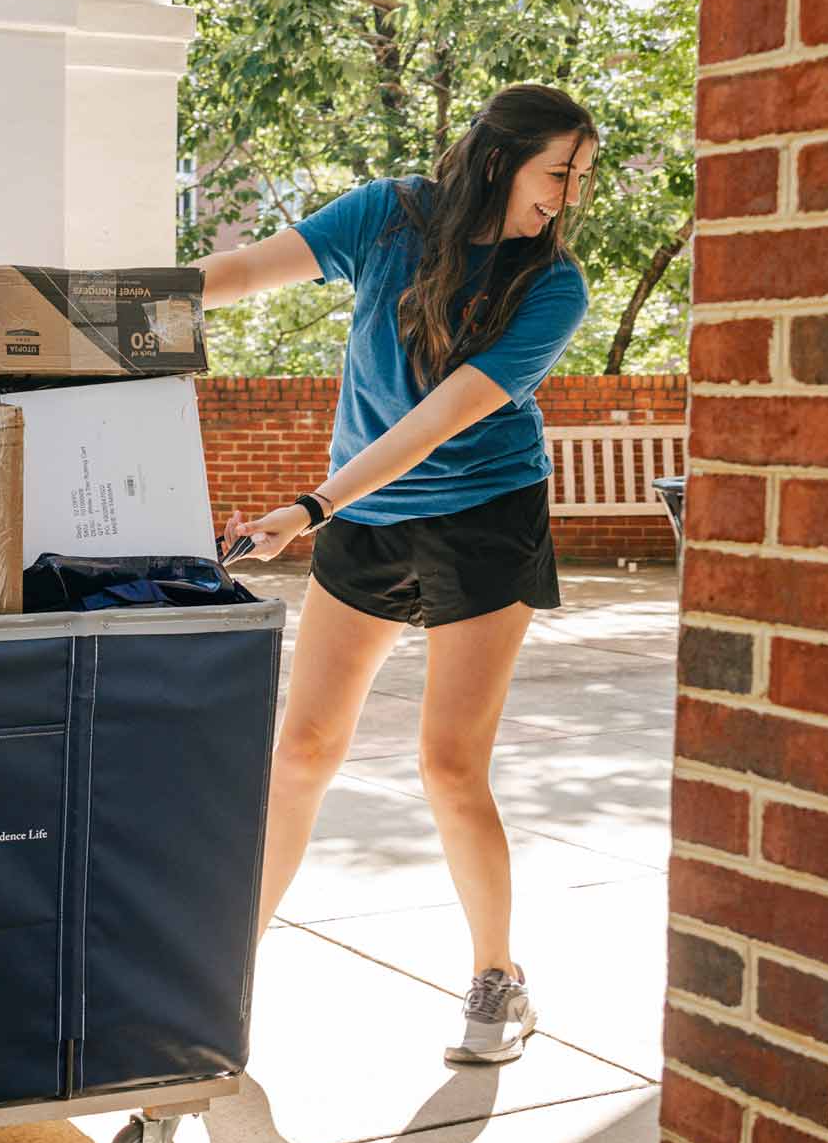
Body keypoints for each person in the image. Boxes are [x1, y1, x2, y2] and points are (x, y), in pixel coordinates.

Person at [209, 84, 595, 1068]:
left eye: (581, 175)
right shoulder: (391, 215)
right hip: (364, 517)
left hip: (480, 519)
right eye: (560, 170)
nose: (570, 193)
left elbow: (433, 424)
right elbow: (244, 270)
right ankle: (220, 976)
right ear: (500, 157)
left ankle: (498, 977)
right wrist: (104, 298)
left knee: (447, 763)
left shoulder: (554, 287)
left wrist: (308, 506)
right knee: (300, 748)